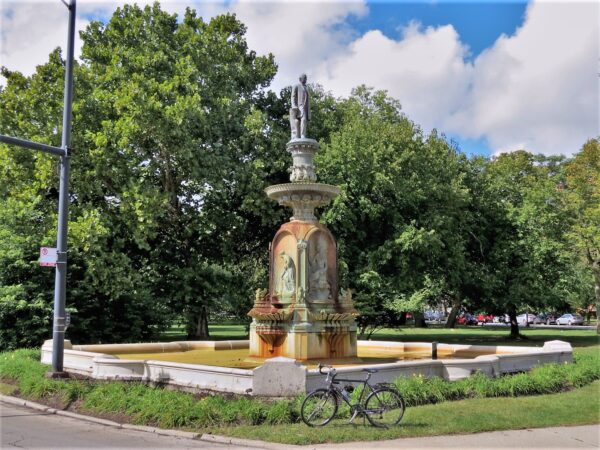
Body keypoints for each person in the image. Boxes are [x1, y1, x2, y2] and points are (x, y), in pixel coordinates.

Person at [290, 73, 311, 139]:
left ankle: (300, 135)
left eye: (306, 78)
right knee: (302, 120)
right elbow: (293, 96)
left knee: (302, 121)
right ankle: (302, 135)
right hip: (299, 106)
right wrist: (293, 105)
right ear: (300, 79)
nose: (305, 79)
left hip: (305, 107)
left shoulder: (306, 88)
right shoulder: (296, 86)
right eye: (304, 78)